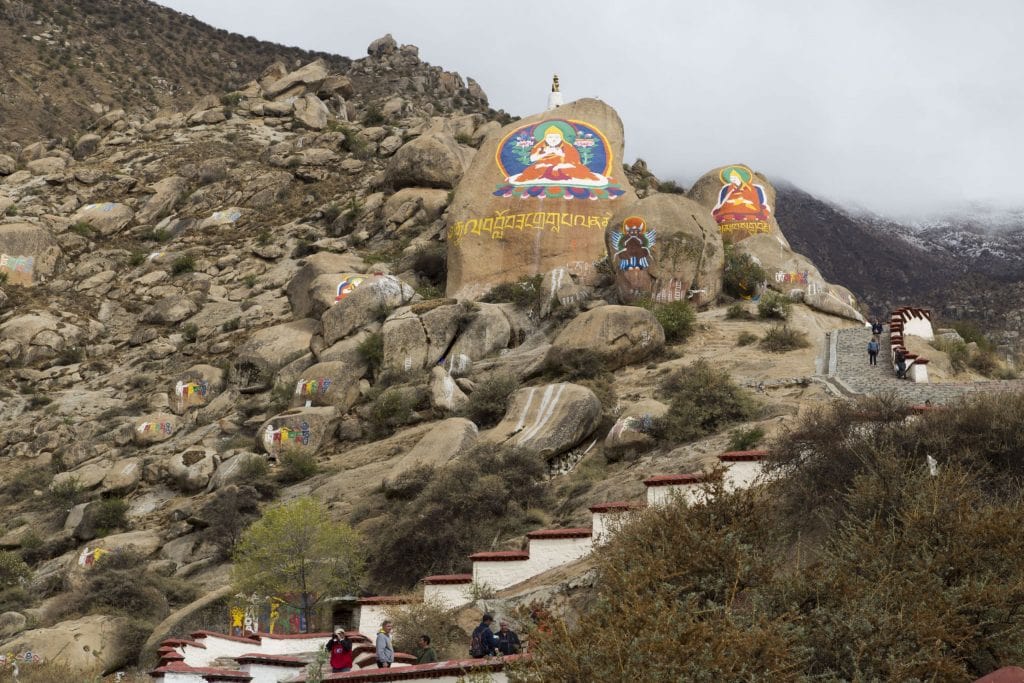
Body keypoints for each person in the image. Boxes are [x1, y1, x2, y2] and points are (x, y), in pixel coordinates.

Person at [508, 123, 609, 187]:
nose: (553, 139)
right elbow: (532, 158)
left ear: (561, 138)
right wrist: (545, 153)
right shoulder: (540, 146)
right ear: (545, 138)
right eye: (550, 137)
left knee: (576, 170)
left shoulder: (568, 147)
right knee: (535, 170)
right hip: (543, 166)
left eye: (556, 137)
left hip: (565, 166)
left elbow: (576, 161)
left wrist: (561, 155)